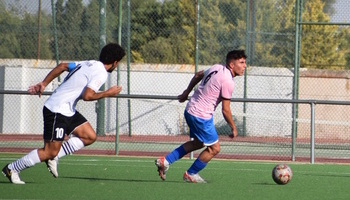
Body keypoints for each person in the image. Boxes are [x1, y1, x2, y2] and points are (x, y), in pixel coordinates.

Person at [2, 43, 126, 184]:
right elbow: (88, 96)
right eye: (118, 63)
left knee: (89, 136)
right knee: (49, 151)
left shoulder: (89, 63)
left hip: (67, 109)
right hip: (56, 110)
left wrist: (44, 83)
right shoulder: (101, 73)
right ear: (115, 62)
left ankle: (56, 156)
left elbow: (62, 66)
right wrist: (108, 93)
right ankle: (12, 168)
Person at [155, 50, 247, 183]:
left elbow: (198, 75)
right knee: (214, 148)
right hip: (201, 116)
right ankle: (191, 174)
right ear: (232, 65)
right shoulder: (228, 81)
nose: (244, 66)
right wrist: (233, 127)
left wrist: (187, 92)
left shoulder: (216, 67)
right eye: (242, 62)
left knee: (198, 143)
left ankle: (166, 161)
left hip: (190, 110)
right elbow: (225, 110)